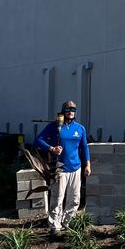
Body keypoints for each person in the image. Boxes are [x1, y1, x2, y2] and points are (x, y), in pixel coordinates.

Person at [35, 100, 91, 236]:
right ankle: (55, 225)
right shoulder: (55, 127)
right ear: (63, 112)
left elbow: (84, 147)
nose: (70, 112)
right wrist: (52, 148)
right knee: (58, 198)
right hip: (60, 167)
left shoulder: (80, 128)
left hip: (76, 167)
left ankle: (67, 222)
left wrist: (87, 164)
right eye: (68, 110)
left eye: (73, 110)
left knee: (75, 198)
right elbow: (39, 140)